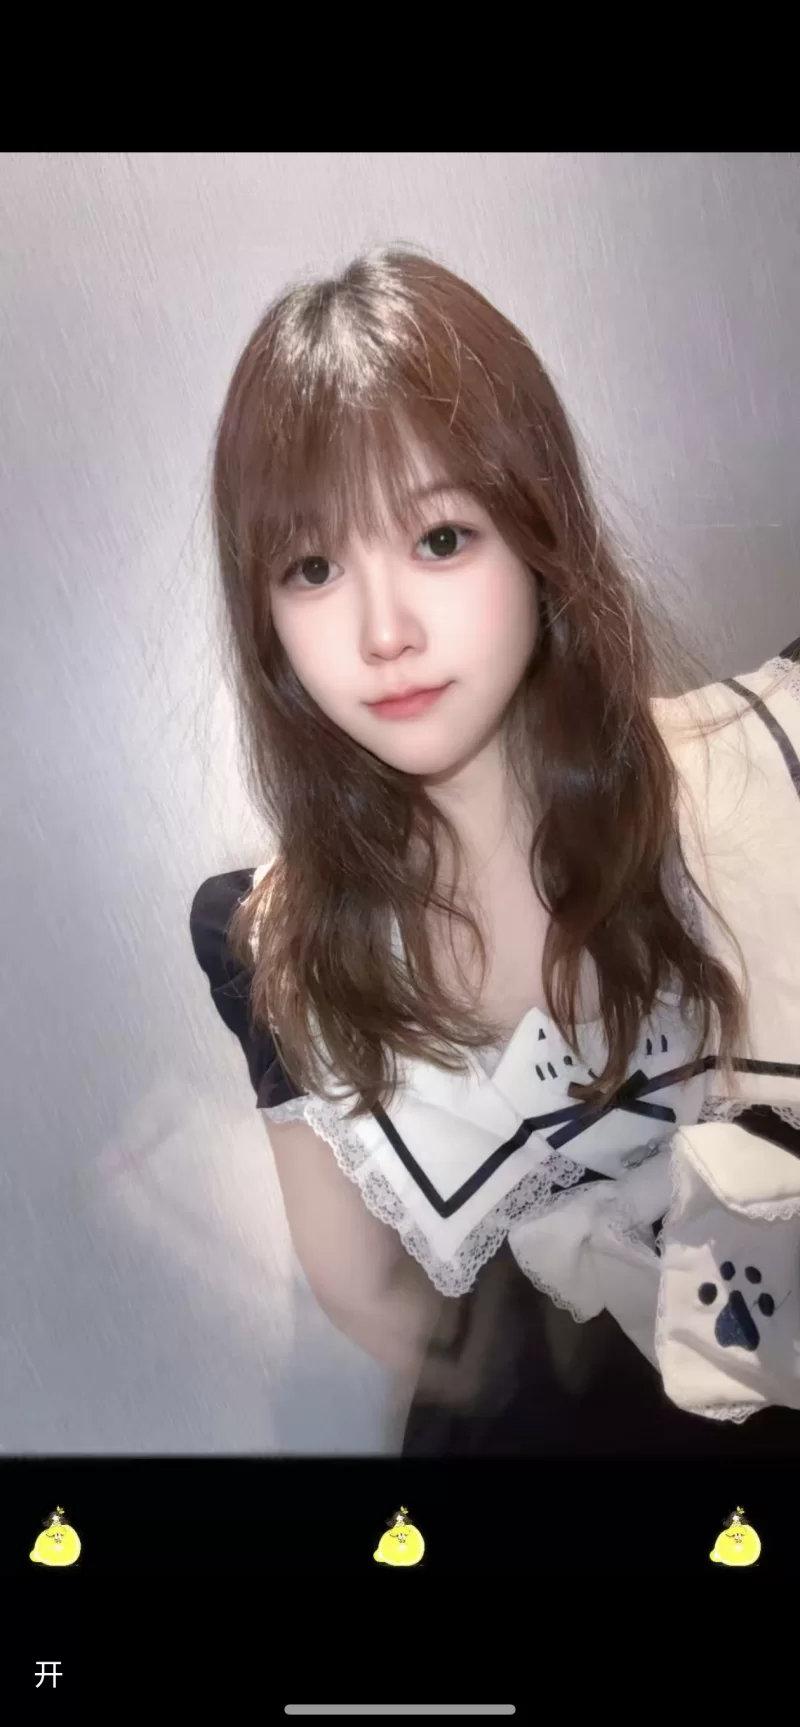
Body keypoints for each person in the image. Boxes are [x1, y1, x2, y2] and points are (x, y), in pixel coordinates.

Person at [191, 247, 800, 1457]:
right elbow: (377, 1302)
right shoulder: (272, 941)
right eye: (313, 567)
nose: (383, 631)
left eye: (438, 537)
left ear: (536, 531)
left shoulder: (758, 769)